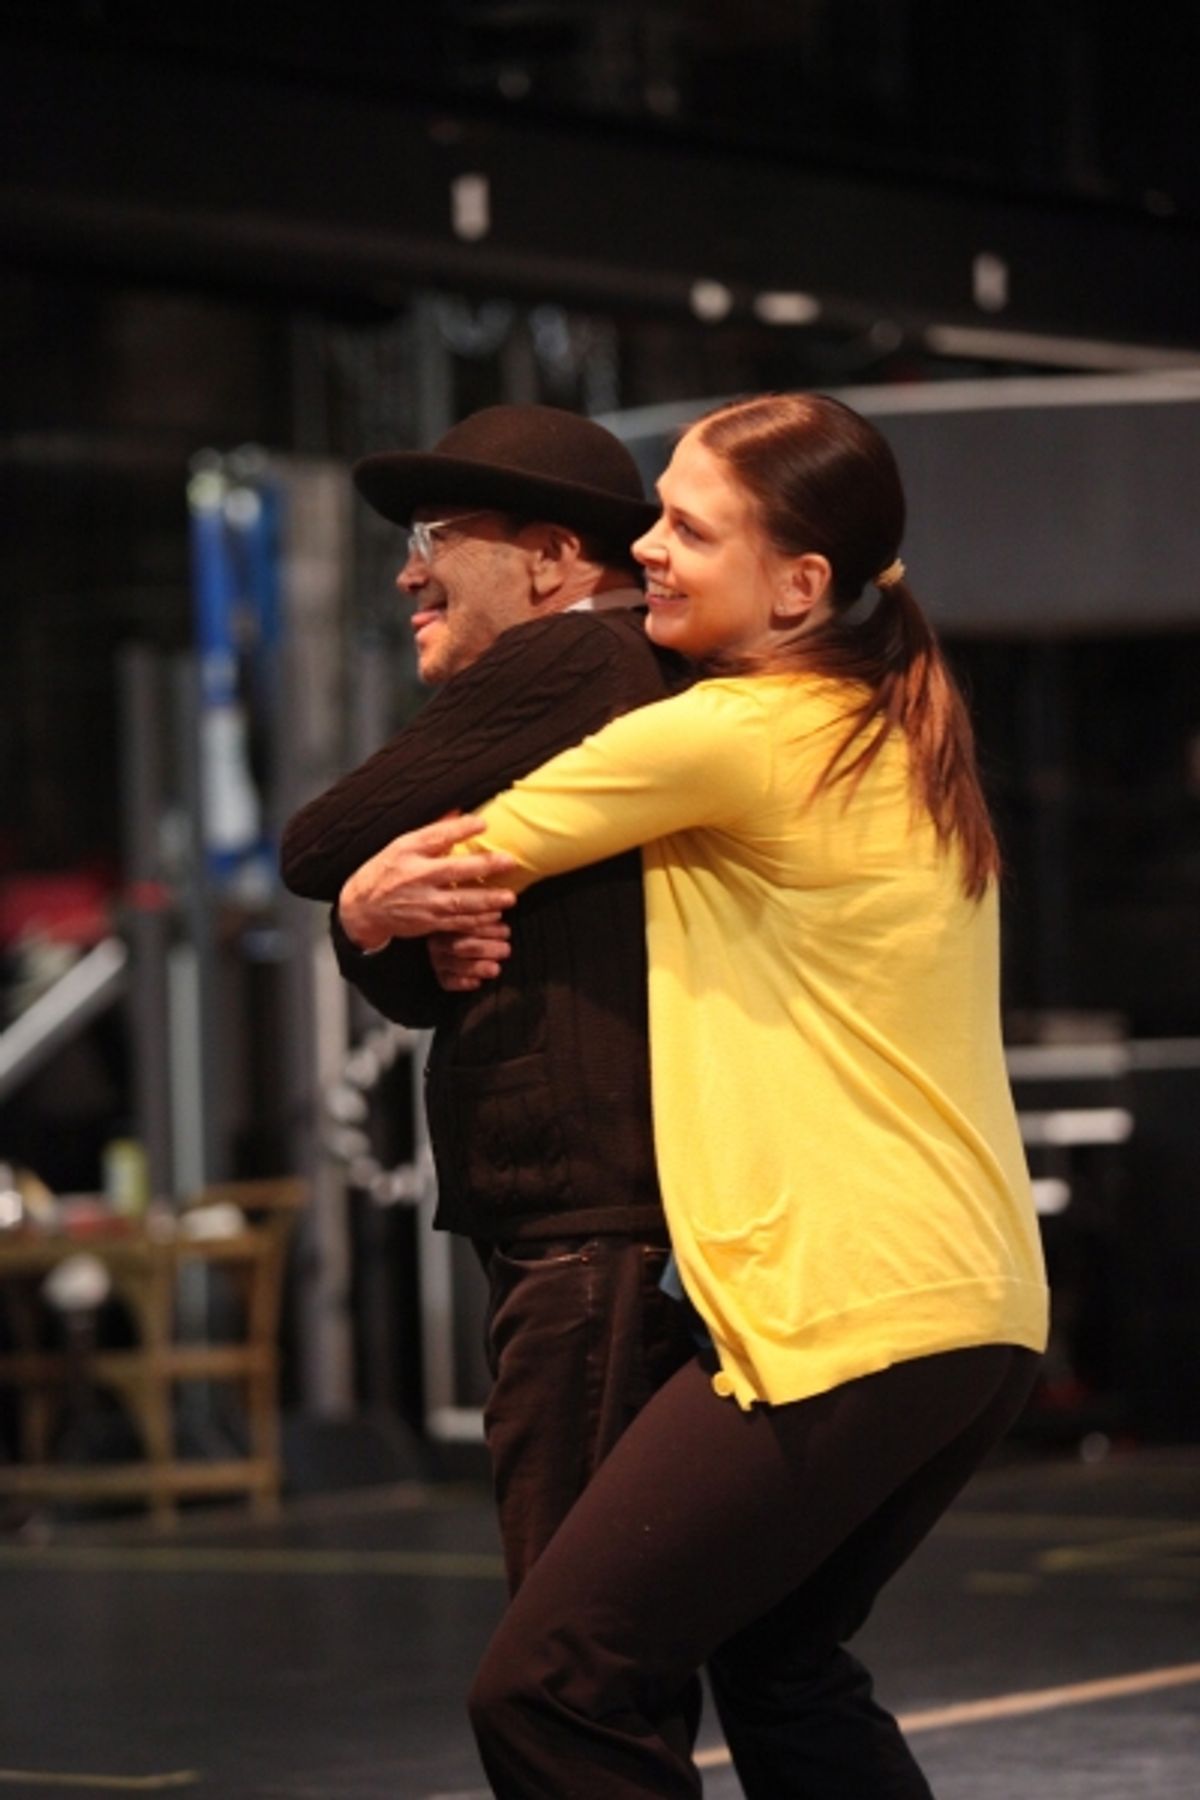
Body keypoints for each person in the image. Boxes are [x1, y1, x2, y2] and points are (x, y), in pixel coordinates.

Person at [354, 391, 1051, 1799]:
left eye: (686, 529)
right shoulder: (885, 723)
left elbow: (428, 853)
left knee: (551, 1687)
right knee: (784, 1670)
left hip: (845, 1306)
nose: (646, 551)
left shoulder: (738, 732)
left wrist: (369, 905)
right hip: (976, 1309)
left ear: (800, 585)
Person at [280, 405, 698, 1600]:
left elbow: (321, 842)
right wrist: (380, 921)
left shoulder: (572, 654)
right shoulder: (612, 677)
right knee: (624, 1625)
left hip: (587, 1218)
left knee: (568, 1637)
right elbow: (420, 967)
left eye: (436, 535)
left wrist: (361, 899)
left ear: (552, 558)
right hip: (591, 1212)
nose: (410, 572)